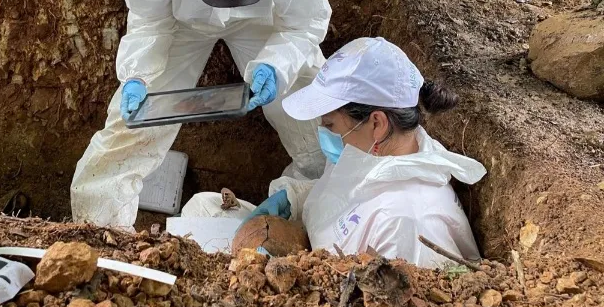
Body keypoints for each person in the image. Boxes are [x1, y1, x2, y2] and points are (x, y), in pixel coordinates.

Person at [71, 0, 331, 229]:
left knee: (315, 114)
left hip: (263, 22)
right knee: (132, 123)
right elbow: (150, 20)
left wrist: (277, 64)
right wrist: (138, 75)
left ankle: (317, 199)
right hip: (179, 22)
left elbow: (304, 23)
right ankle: (98, 227)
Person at [182, 37, 487, 268]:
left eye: (330, 124)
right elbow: (344, 188)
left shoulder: (408, 224)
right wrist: (293, 197)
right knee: (202, 207)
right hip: (309, 248)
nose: (324, 133)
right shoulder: (372, 153)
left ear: (377, 123)